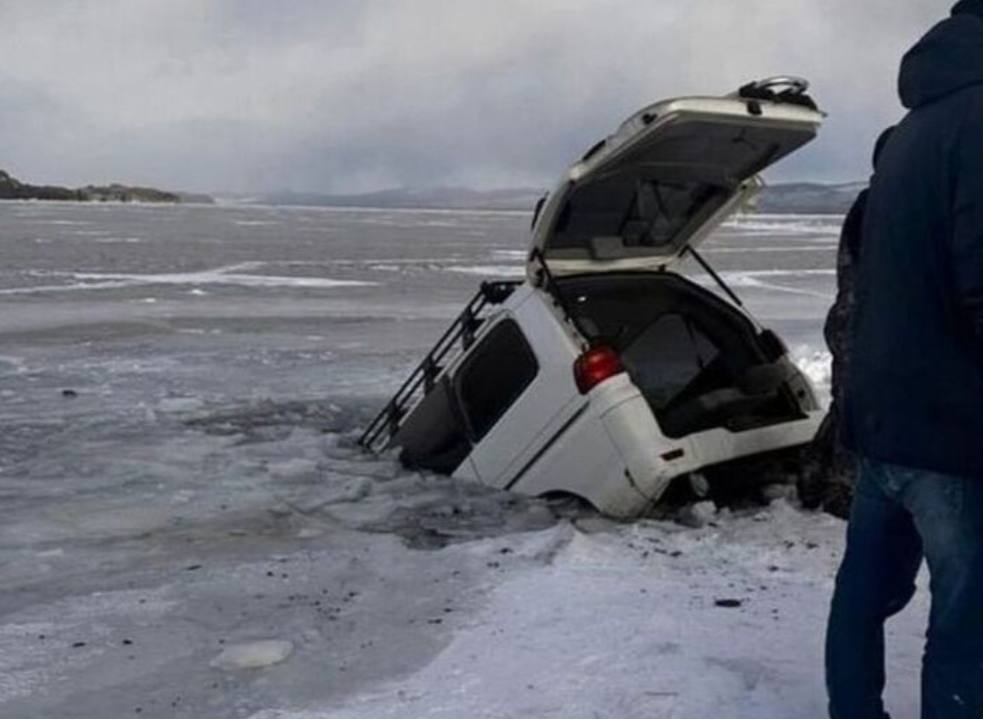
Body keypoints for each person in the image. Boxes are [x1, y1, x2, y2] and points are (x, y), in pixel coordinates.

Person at [827, 2, 983, 717]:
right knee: (965, 617)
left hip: (882, 412)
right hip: (951, 426)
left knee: (863, 588)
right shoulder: (978, 120)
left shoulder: (908, 131)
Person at [799, 127, 895, 520]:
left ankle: (813, 478)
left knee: (845, 406)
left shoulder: (870, 203)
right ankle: (838, 489)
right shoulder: (877, 205)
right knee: (853, 408)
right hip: (859, 326)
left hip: (852, 323)